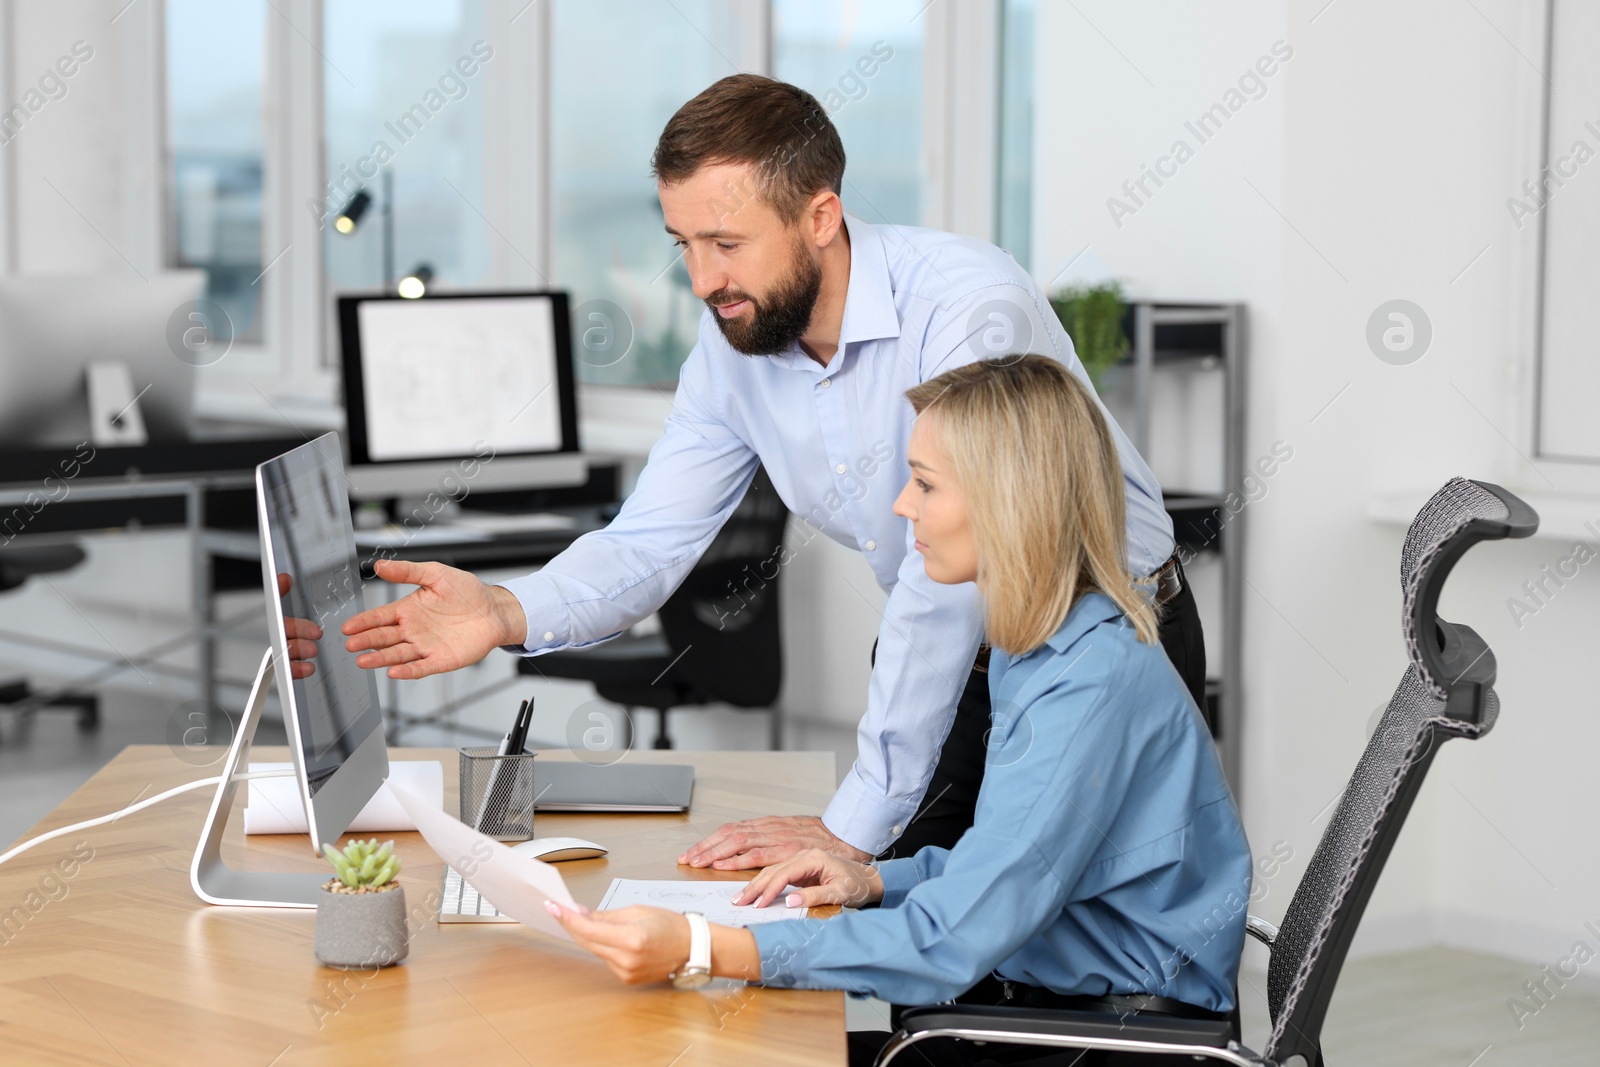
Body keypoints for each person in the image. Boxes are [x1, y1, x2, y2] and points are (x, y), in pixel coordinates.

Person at [339, 73, 1204, 870]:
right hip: (963, 659)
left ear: (819, 217)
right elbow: (650, 538)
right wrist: (507, 607)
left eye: (726, 242)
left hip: (1097, 648)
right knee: (905, 934)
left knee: (1056, 962)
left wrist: (850, 821)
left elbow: (946, 583)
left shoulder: (967, 309)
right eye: (683, 243)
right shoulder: (734, 349)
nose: (703, 280)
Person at [547, 356, 1252, 1067]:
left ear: (1011, 501)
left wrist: (704, 946)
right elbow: (1004, 865)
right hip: (1059, 1004)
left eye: (925, 484)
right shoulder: (1041, 639)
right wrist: (878, 879)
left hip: (1115, 1042)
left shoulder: (1088, 684)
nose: (901, 506)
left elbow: (955, 938)